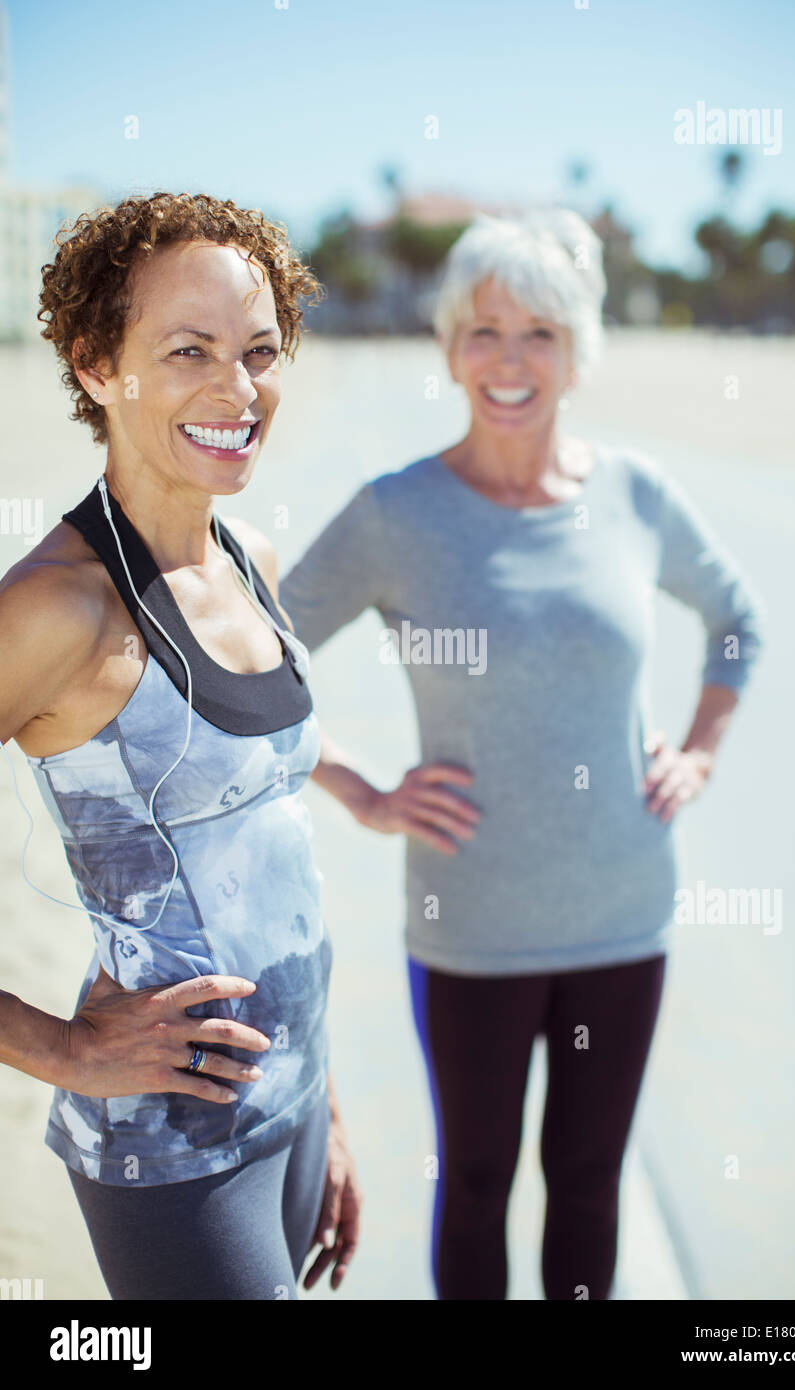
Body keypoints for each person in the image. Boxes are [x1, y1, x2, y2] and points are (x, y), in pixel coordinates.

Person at [278, 209, 767, 1300]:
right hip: (471, 930)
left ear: (577, 350)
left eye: (538, 332)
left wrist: (698, 751)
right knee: (479, 1181)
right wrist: (358, 790)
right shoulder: (394, 514)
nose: (508, 358)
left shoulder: (633, 494)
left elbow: (736, 615)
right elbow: (248, 665)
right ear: (450, 347)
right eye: (483, 329)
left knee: (587, 1182)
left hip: (619, 919)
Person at [0, 191, 360, 1300]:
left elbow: (269, 850)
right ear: (98, 367)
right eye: (190, 350)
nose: (237, 389)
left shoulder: (245, 550)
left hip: (293, 1108)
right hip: (173, 1149)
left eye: (259, 350)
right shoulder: (60, 608)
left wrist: (326, 1107)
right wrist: (58, 1050)